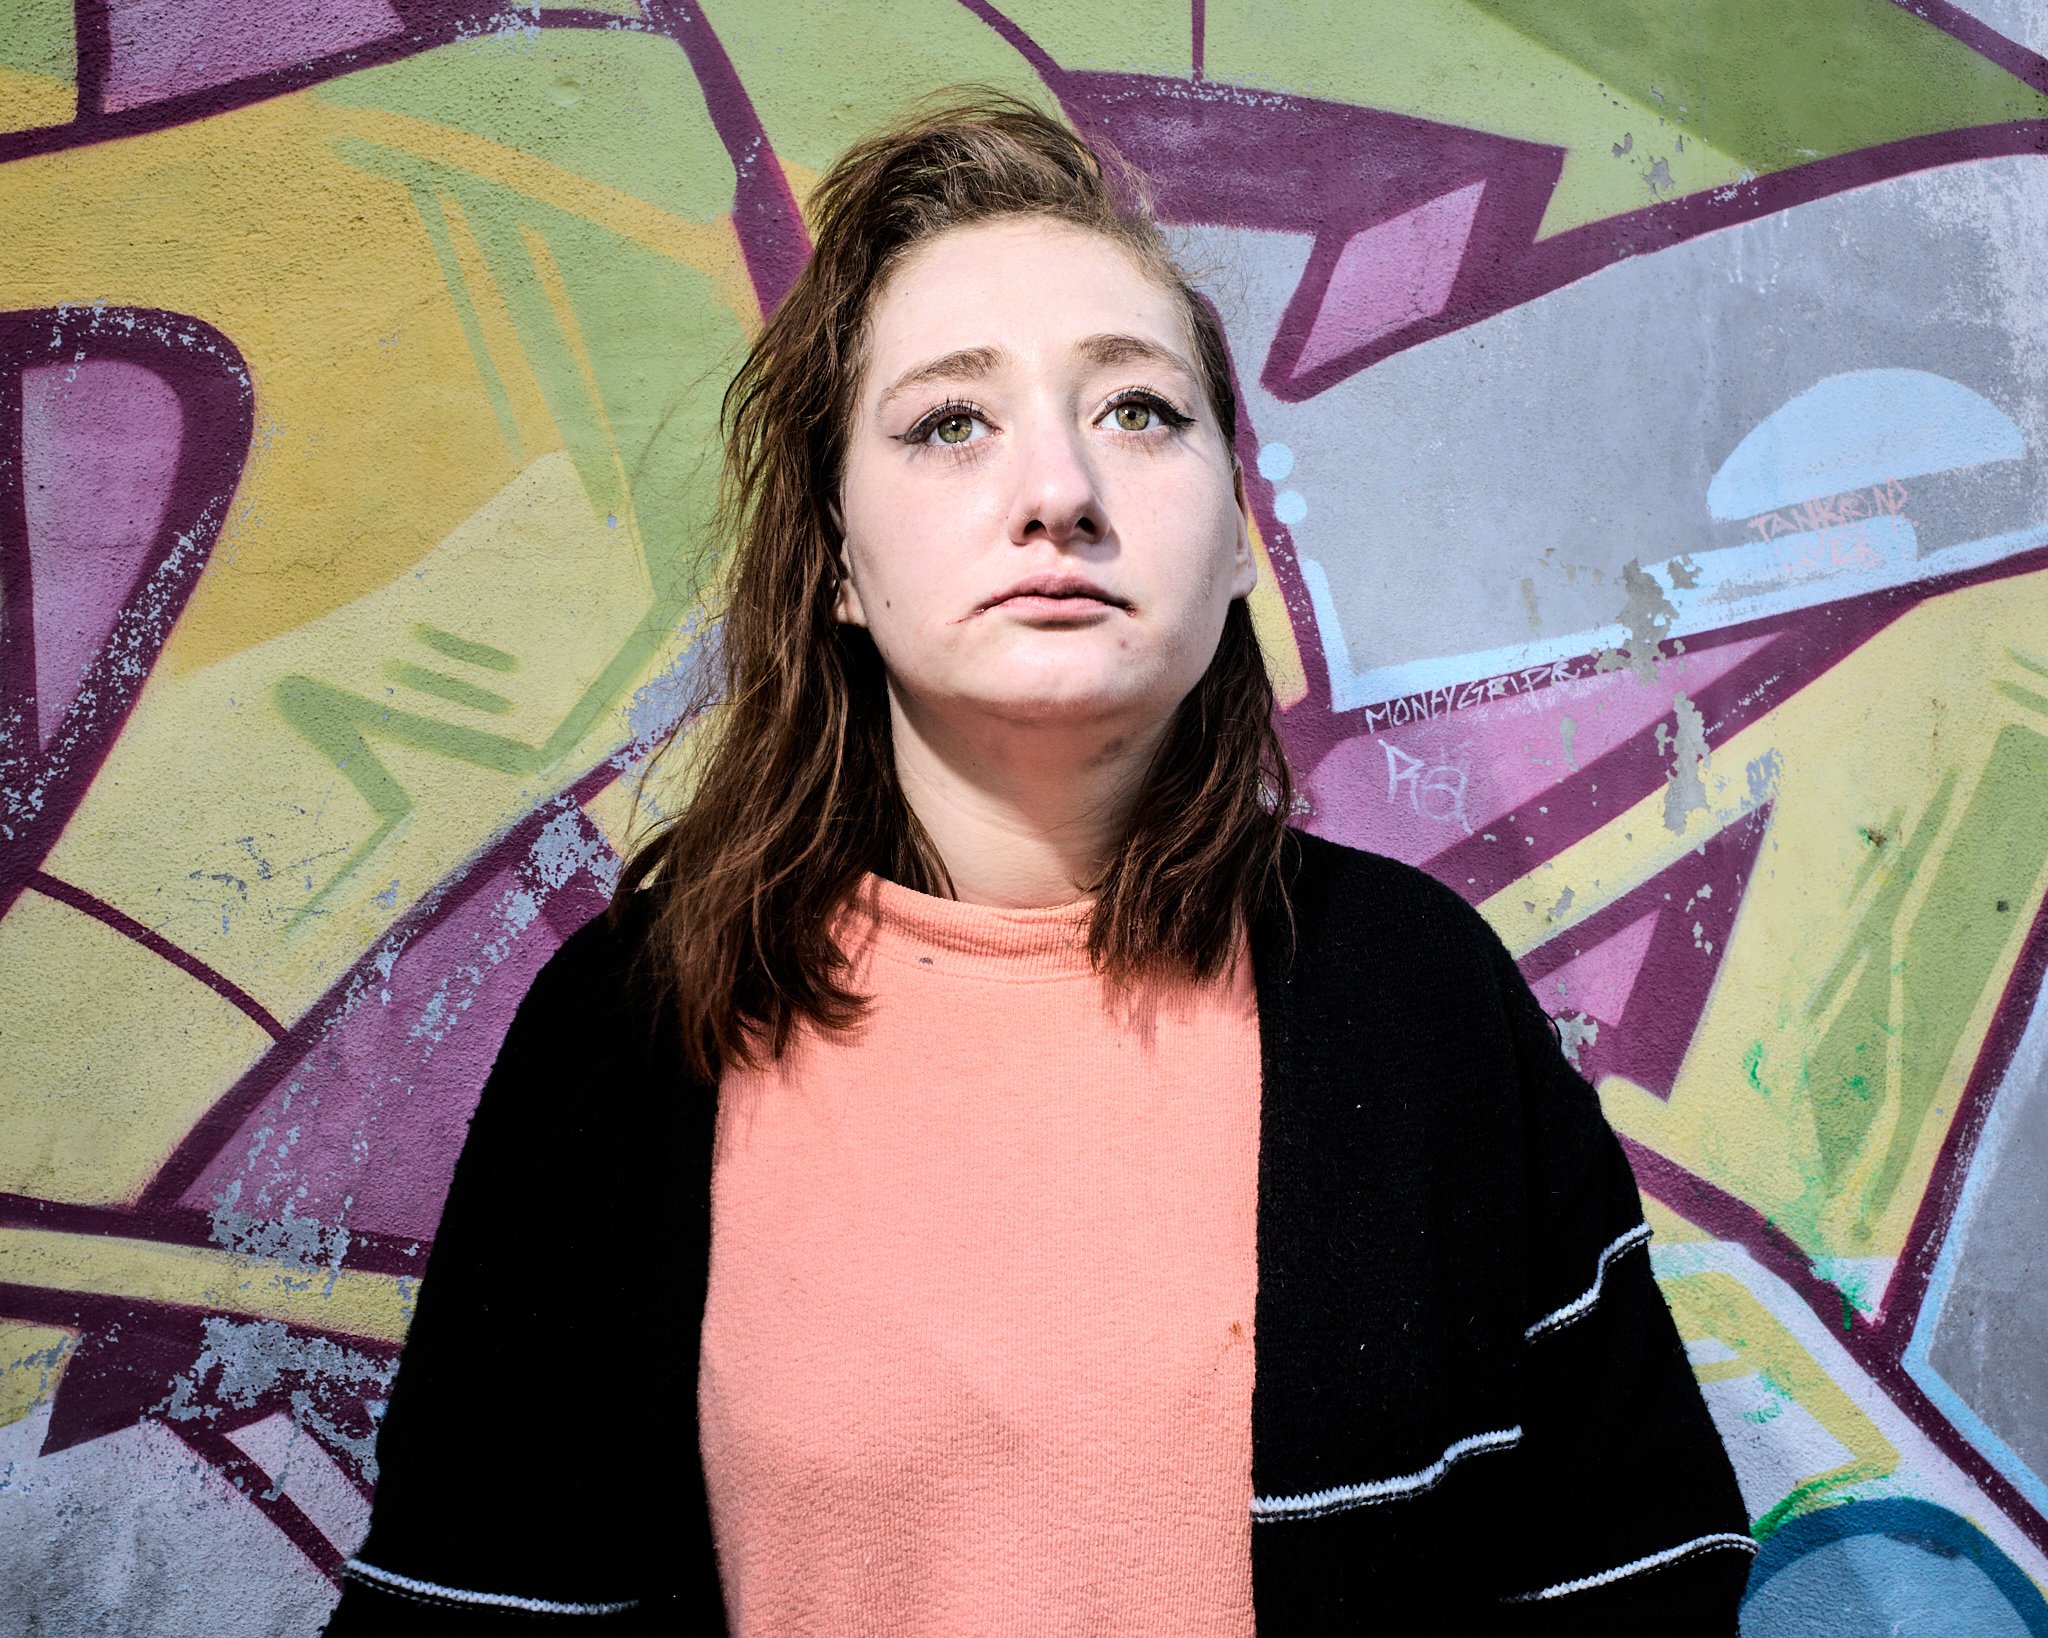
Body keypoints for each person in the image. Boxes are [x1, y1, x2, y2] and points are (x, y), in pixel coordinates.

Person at [322, 92, 1754, 1634]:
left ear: (1236, 536)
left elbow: (1641, 1574)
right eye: (951, 421)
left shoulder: (1417, 996)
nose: (1060, 490)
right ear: (837, 557)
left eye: (1138, 410)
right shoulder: (634, 1026)